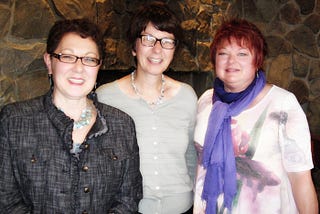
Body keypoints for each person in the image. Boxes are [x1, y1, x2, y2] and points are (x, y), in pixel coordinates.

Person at [0, 18, 142, 213]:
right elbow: (6, 200)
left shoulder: (122, 125)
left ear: (98, 67)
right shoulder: (14, 121)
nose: (79, 68)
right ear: (49, 62)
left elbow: (128, 200)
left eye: (89, 59)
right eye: (67, 57)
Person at [193, 18, 319, 214]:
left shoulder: (282, 104)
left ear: (257, 60)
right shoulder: (205, 101)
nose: (231, 61)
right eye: (223, 53)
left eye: (242, 53)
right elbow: (201, 165)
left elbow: (301, 180)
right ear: (214, 60)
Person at [96, 2, 197, 213]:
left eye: (167, 41)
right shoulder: (105, 97)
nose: (157, 49)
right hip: (131, 208)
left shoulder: (187, 96)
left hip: (183, 207)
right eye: (148, 39)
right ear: (134, 46)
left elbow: (191, 155)